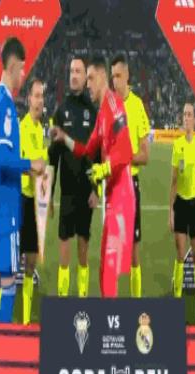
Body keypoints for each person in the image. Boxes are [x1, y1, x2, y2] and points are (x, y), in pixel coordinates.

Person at [52, 54, 135, 298]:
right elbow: (86, 150)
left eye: (89, 78)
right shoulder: (101, 114)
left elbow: (126, 149)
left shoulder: (114, 104)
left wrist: (104, 169)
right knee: (104, 272)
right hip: (112, 197)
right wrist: (64, 138)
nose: (87, 84)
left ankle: (112, 320)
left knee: (108, 271)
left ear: (101, 77)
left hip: (121, 197)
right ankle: (107, 316)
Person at [0, 37, 45, 323]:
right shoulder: (6, 105)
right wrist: (30, 164)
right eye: (22, 69)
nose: (23, 75)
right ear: (14, 65)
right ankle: (0, 341)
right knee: (9, 283)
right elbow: (3, 159)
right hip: (6, 206)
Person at [48, 56, 99, 298]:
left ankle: (82, 297)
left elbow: (98, 156)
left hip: (86, 192)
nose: (74, 75)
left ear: (85, 77)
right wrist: (49, 196)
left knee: (83, 247)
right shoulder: (61, 111)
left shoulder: (93, 111)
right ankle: (63, 298)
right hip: (67, 192)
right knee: (64, 245)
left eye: (78, 71)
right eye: (71, 71)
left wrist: (96, 190)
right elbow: (53, 158)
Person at [111, 52, 150, 298]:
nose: (115, 81)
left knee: (133, 253)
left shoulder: (137, 107)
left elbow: (145, 155)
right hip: (113, 186)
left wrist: (124, 157)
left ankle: (136, 305)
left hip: (130, 186)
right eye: (112, 76)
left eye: (118, 75)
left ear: (127, 76)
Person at [169, 103, 195, 324]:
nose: (186, 118)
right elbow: (174, 180)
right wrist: (170, 211)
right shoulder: (177, 145)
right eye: (184, 114)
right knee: (179, 255)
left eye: (189, 115)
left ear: (194, 120)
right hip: (181, 205)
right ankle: (176, 303)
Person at [19, 78, 47, 325]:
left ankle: (26, 318)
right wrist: (38, 169)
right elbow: (28, 167)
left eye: (42, 96)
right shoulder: (24, 127)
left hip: (37, 202)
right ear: (29, 99)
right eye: (36, 95)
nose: (39, 100)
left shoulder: (39, 129)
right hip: (23, 201)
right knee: (13, 263)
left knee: (30, 262)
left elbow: (42, 166)